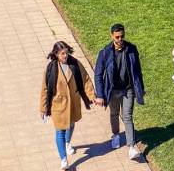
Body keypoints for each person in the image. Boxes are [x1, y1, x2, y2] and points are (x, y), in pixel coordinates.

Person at [40, 42, 96, 170]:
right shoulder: (50, 69)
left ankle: (67, 142)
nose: (65, 56)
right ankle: (63, 159)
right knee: (60, 130)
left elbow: (85, 79)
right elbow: (44, 89)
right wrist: (43, 108)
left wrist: (92, 95)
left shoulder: (75, 64)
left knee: (71, 125)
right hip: (58, 105)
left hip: (73, 103)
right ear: (56, 54)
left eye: (66, 52)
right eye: (62, 53)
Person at [94, 24, 145, 160]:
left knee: (127, 115)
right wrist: (100, 95)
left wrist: (141, 88)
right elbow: (98, 75)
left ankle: (131, 146)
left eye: (122, 36)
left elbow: (138, 71)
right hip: (113, 90)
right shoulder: (105, 52)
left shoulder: (132, 49)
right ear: (112, 36)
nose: (120, 39)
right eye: (117, 37)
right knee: (114, 114)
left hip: (128, 89)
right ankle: (116, 135)